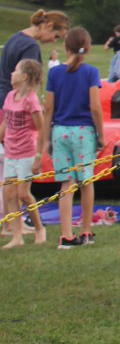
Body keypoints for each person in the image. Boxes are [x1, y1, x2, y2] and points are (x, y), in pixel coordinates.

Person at [42, 28, 104, 249]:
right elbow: (95, 107)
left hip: (60, 131)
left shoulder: (55, 73)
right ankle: (86, 230)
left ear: (65, 47)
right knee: (86, 181)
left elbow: (49, 106)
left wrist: (46, 138)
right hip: (84, 131)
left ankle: (66, 235)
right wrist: (101, 135)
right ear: (87, 48)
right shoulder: (90, 72)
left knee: (66, 184)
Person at [1, 58, 47, 248]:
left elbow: (41, 129)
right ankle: (17, 235)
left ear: (24, 76)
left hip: (26, 153)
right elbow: (6, 122)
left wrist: (38, 157)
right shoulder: (11, 96)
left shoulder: (31, 101)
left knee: (24, 194)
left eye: (15, 71)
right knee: (10, 194)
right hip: (10, 152)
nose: (12, 74)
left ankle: (39, 228)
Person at [0, 9, 68, 98]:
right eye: (56, 36)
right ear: (49, 26)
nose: (54, 40)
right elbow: (27, 83)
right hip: (15, 103)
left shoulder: (14, 38)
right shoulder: (30, 47)